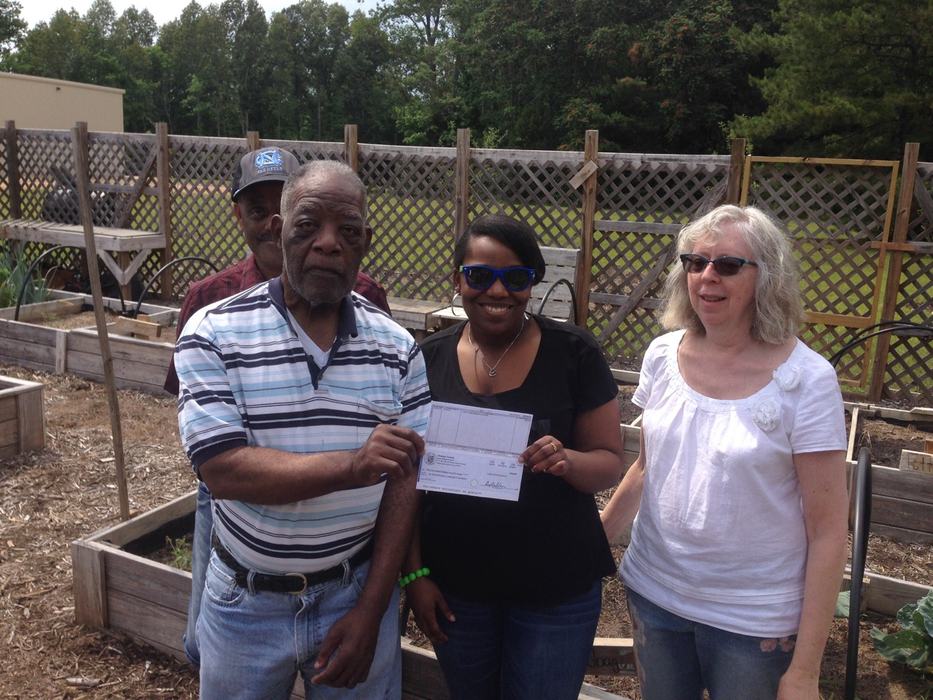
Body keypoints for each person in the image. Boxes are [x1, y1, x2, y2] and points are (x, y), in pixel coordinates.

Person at [174, 159, 431, 698]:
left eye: (348, 231)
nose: (328, 244)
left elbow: (405, 487)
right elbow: (222, 470)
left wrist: (371, 610)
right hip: (244, 602)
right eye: (308, 225)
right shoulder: (214, 330)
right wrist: (354, 466)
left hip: (353, 590)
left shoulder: (398, 349)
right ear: (278, 230)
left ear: (365, 242)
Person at [601, 205, 848, 700]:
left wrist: (804, 673)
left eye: (728, 265)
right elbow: (648, 468)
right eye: (695, 262)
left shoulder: (806, 380)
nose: (707, 277)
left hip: (752, 620)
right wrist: (591, 545)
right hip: (655, 595)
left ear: (767, 277)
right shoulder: (662, 356)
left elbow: (827, 531)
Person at [405, 214, 625, 699]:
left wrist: (568, 459)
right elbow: (410, 482)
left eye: (517, 278)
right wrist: (416, 575)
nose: (497, 292)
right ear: (458, 279)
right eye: (480, 276)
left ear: (533, 283)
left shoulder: (574, 353)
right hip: (457, 586)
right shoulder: (427, 359)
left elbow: (608, 461)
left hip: (556, 587)